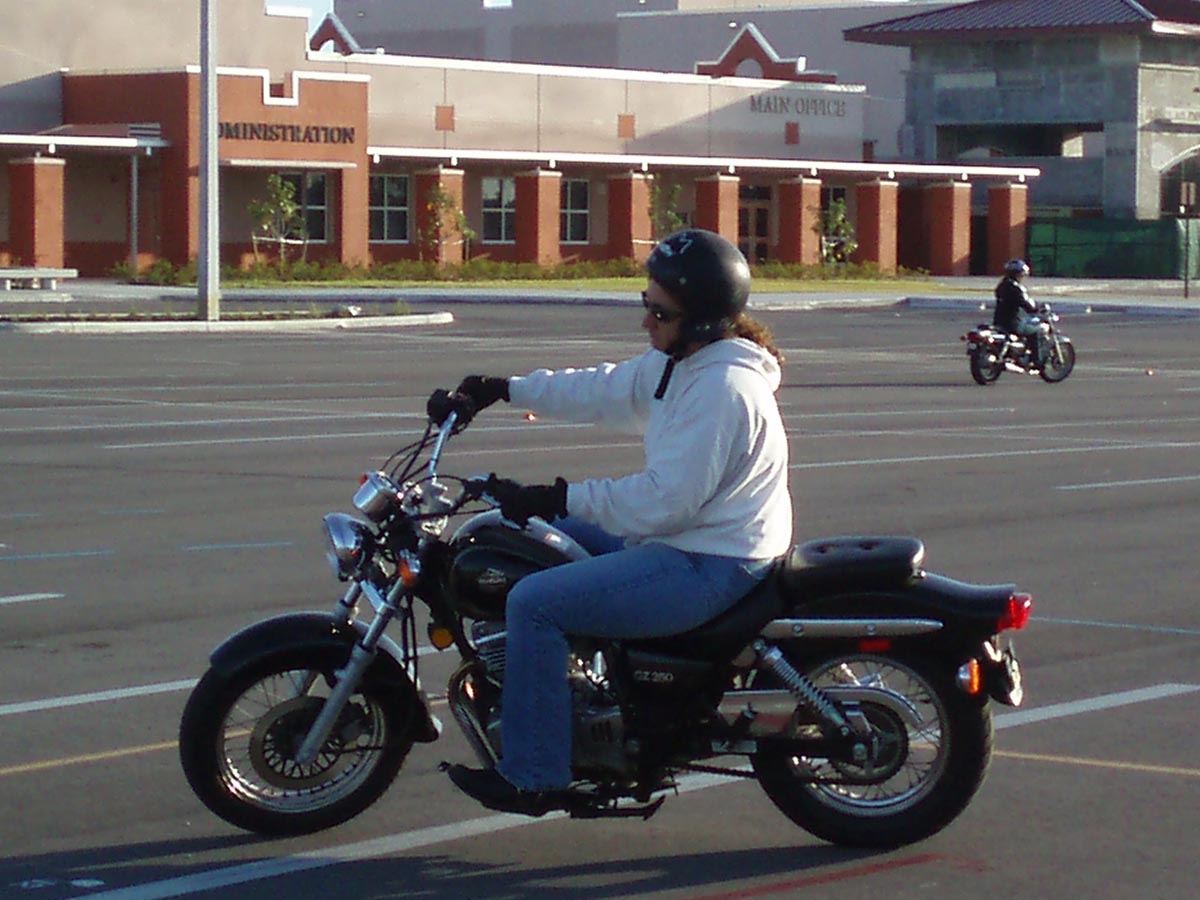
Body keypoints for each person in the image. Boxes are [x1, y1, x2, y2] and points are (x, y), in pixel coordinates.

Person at [444, 228, 794, 816]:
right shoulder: (682, 363)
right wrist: (503, 389)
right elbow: (605, 389)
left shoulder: (722, 388)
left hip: (711, 561)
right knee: (526, 536)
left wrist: (560, 497)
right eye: (646, 303)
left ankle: (534, 775)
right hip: (690, 540)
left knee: (534, 603)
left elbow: (664, 502)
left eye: (660, 312)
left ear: (702, 321)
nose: (646, 321)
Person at [992, 258, 1044, 367]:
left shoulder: (1001, 286)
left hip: (999, 321)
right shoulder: (1017, 289)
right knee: (1037, 330)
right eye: (1022, 274)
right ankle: (1037, 362)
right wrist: (1037, 308)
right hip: (1013, 323)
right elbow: (1028, 305)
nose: (1023, 276)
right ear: (1017, 274)